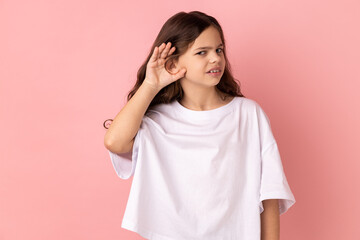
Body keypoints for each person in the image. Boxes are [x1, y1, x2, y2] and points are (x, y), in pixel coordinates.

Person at [103, 11, 295, 240]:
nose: (215, 58)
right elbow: (115, 142)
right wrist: (151, 84)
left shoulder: (248, 114)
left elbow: (269, 193)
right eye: (202, 52)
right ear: (173, 63)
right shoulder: (157, 122)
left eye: (219, 50)